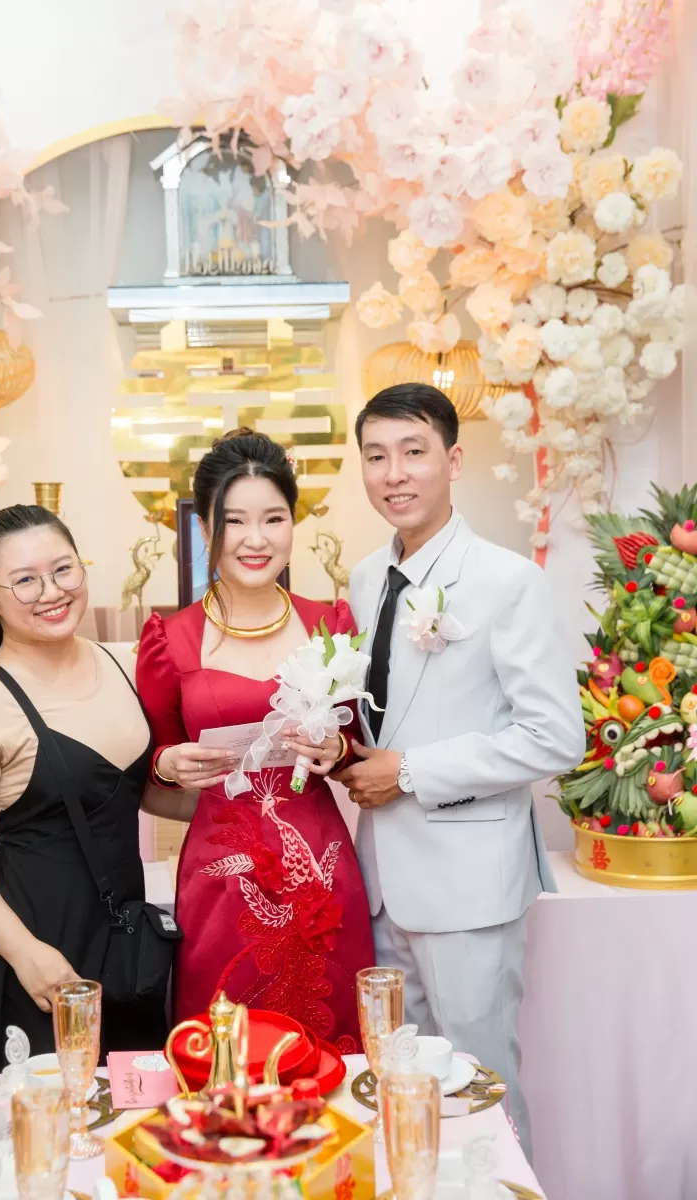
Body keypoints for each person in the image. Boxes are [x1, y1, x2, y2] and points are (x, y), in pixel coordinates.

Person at [336, 383, 585, 1155]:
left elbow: (554, 738)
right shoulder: (366, 577)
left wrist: (410, 771)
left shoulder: (506, 580)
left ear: (453, 460)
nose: (394, 474)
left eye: (413, 452)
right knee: (400, 1085)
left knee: (479, 1090)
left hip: (470, 882)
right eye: (376, 456)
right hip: (381, 876)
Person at [0, 505, 168, 1200]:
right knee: (39, 1153)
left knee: (126, 1140)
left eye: (63, 570)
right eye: (24, 580)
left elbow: (135, 795)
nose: (51, 591)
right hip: (32, 945)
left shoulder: (117, 663)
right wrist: (26, 953)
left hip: (121, 942)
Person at [136, 429, 374, 1051]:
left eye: (273, 518)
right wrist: (167, 764)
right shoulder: (169, 640)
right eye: (235, 520)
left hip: (322, 870)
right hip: (221, 879)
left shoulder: (330, 624)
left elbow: (356, 750)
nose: (256, 538)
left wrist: (336, 752)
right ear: (205, 528)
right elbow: (148, 767)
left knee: (330, 1052)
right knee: (224, 1055)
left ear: (293, 523)